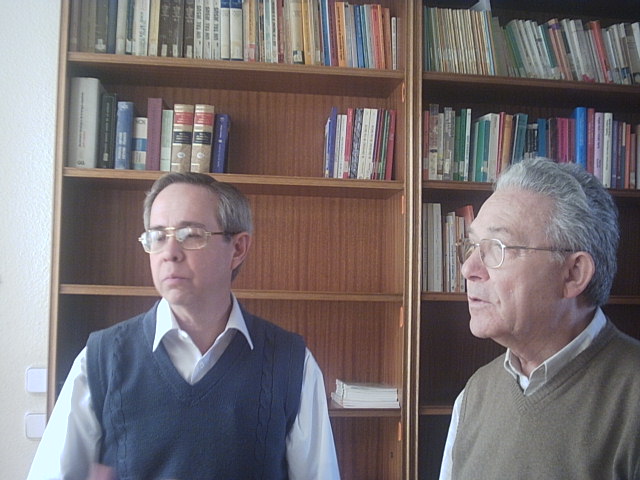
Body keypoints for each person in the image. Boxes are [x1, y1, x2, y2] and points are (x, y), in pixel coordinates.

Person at [28, 172, 340, 480]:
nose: (169, 253)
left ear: (237, 249)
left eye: (190, 235)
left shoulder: (291, 363)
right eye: (157, 236)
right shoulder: (101, 359)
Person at [439, 157, 640, 479]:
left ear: (573, 274)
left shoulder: (631, 397)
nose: (468, 269)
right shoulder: (475, 394)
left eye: (497, 248)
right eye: (473, 246)